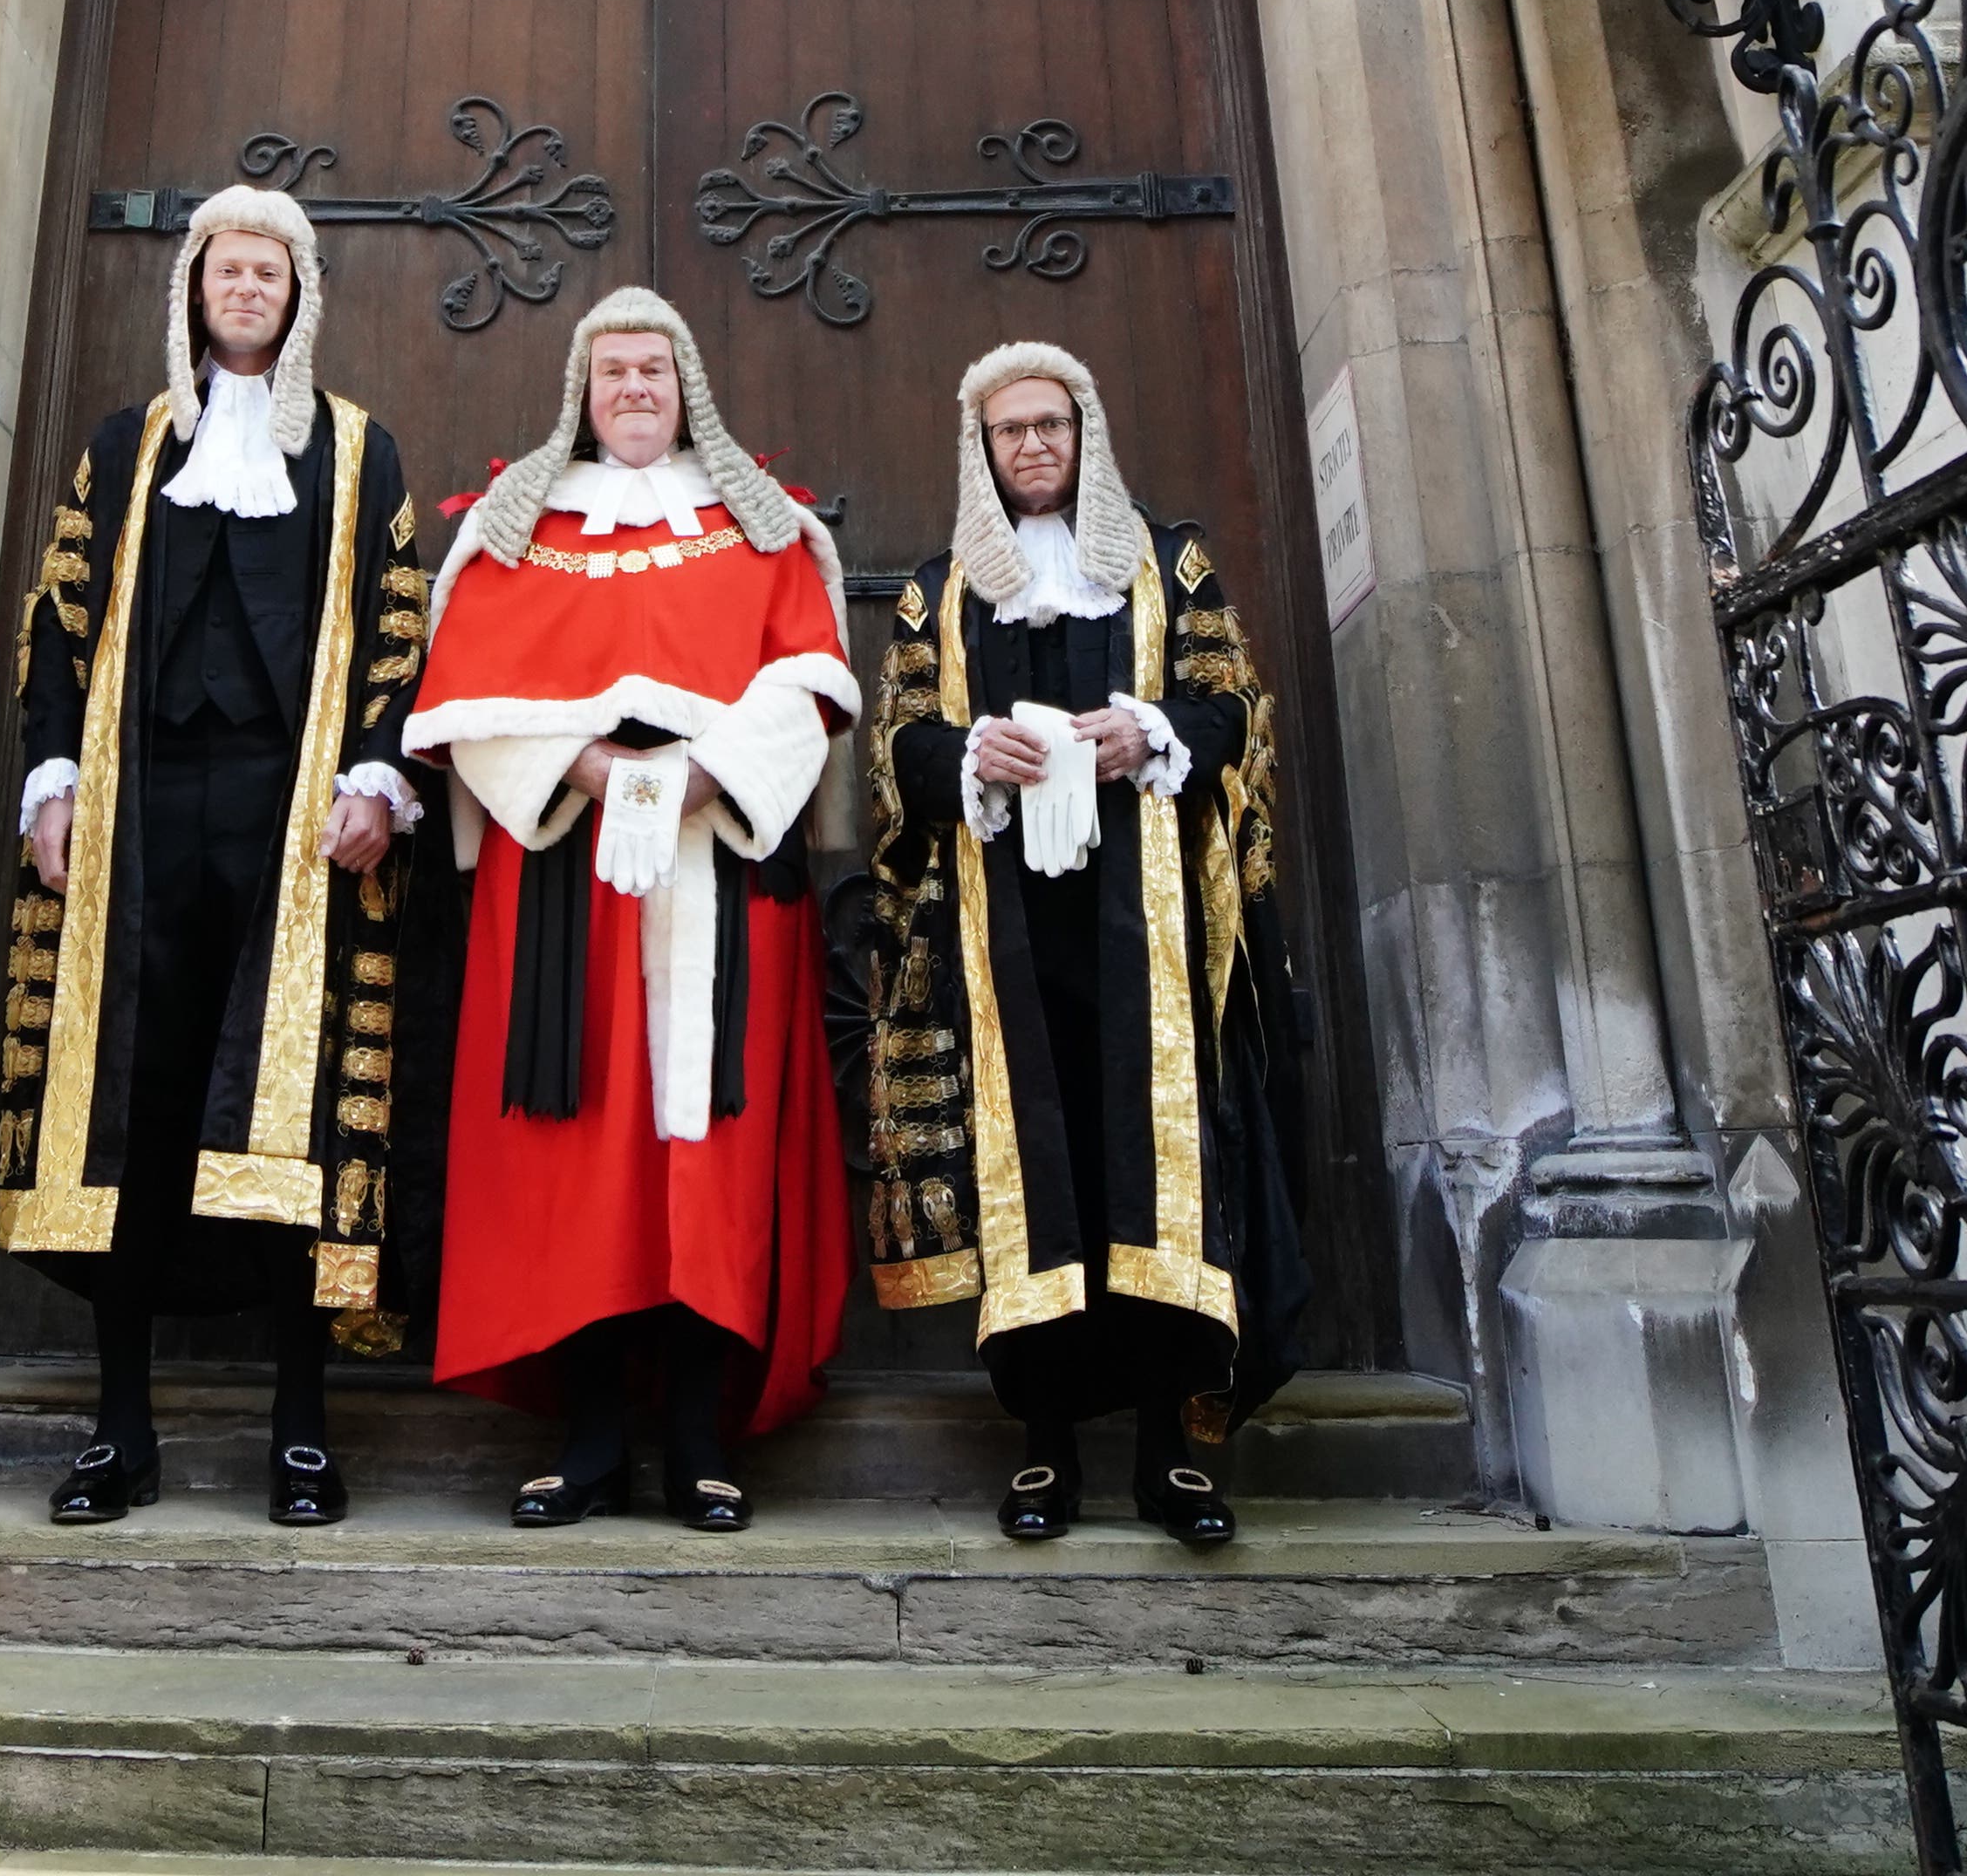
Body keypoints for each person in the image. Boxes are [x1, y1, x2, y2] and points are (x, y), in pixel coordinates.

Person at [0, 185, 429, 1527]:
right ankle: (119, 1428)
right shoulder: (123, 447)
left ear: (299, 297)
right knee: (142, 1101)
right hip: (135, 817)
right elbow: (59, 622)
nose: (246, 291)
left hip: (294, 825)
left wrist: (378, 774)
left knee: (285, 1106)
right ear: (192, 288)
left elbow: (399, 628)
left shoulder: (359, 453)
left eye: (269, 274)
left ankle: (301, 1428)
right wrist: (54, 781)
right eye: (226, 271)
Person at [406, 287, 857, 1531]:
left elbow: (812, 678)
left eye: (655, 369)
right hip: (567, 883)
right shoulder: (518, 533)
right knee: (580, 1163)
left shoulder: (758, 528)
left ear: (687, 381)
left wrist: (705, 775)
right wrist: (594, 770)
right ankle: (592, 1441)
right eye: (614, 374)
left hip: (720, 863)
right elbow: (463, 704)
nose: (636, 390)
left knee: (705, 1160)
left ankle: (700, 1443)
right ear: (582, 393)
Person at [857, 342, 1305, 1548]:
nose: (1034, 446)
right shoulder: (939, 589)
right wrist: (964, 758)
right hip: (1005, 941)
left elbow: (1234, 711)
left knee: (1154, 1171)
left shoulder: (1171, 565)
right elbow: (896, 741)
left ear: (1084, 430)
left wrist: (1151, 732)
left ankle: (1170, 1455)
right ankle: (1045, 1447)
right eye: (1010, 432)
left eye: (1051, 424)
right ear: (983, 448)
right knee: (1036, 1171)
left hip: (1147, 932)